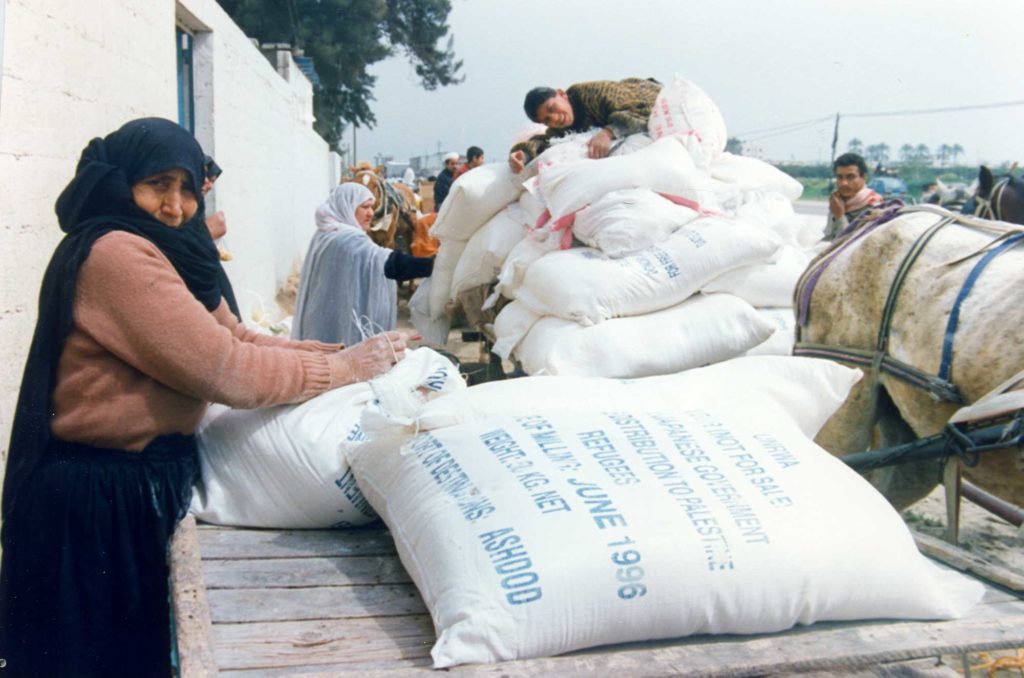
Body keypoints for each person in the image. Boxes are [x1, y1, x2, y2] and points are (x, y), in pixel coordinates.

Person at [0, 118, 411, 677]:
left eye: (187, 188)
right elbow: (228, 371)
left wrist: (322, 351)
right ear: (121, 184)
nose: (175, 206)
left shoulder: (158, 247)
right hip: (99, 499)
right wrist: (339, 369)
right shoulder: (117, 254)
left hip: (137, 482)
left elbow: (233, 333)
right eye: (157, 185)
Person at [292, 182, 435, 347]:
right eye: (364, 207)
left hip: (325, 318)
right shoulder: (347, 239)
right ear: (347, 207)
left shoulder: (326, 232)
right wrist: (432, 265)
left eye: (372, 207)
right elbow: (389, 264)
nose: (370, 213)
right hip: (335, 324)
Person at [507, 77, 662, 173]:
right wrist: (524, 155)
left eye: (552, 108)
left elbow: (644, 106)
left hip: (647, 91)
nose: (555, 118)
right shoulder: (562, 127)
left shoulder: (596, 94)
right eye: (547, 120)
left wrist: (608, 132)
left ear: (561, 94)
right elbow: (545, 142)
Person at [826, 152, 884, 240]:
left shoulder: (873, 207)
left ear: (863, 177)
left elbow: (851, 245)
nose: (844, 183)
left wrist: (840, 216)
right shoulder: (838, 200)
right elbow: (829, 236)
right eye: (840, 177)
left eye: (850, 177)